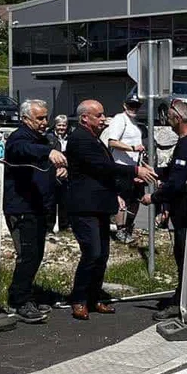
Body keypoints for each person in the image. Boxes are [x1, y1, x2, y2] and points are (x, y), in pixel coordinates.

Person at [66, 100, 157, 319]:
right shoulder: (80, 138)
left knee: (102, 254)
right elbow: (102, 166)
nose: (103, 119)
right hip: (84, 206)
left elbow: (103, 172)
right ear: (85, 118)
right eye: (98, 115)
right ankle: (79, 299)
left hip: (99, 204)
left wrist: (125, 183)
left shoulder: (95, 138)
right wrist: (134, 170)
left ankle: (94, 297)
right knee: (92, 252)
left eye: (103, 114)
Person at [144, 100, 187, 322]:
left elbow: (177, 182)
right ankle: (183, 297)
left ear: (178, 119)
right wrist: (156, 171)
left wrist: (153, 198)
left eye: (170, 118)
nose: (167, 122)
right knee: (184, 255)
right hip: (186, 209)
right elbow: (176, 171)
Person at [3, 100, 67, 323]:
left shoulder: (43, 138)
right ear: (25, 119)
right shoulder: (19, 138)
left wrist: (59, 171)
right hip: (21, 207)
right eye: (39, 118)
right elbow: (21, 150)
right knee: (28, 255)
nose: (44, 122)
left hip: (39, 207)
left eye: (45, 117)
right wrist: (47, 152)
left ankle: (26, 293)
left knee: (36, 254)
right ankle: (18, 300)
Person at [102, 98, 146, 243]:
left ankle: (129, 227)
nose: (134, 108)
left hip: (135, 166)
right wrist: (132, 148)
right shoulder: (120, 119)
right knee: (122, 199)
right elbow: (112, 142)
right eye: (131, 105)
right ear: (124, 105)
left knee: (136, 198)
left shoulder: (134, 121)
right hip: (121, 165)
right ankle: (120, 229)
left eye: (137, 106)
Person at [48, 115, 71, 231]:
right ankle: (49, 225)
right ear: (55, 126)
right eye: (59, 125)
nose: (61, 128)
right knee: (51, 200)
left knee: (65, 200)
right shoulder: (49, 138)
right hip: (52, 172)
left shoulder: (70, 138)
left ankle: (64, 225)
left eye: (64, 125)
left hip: (66, 172)